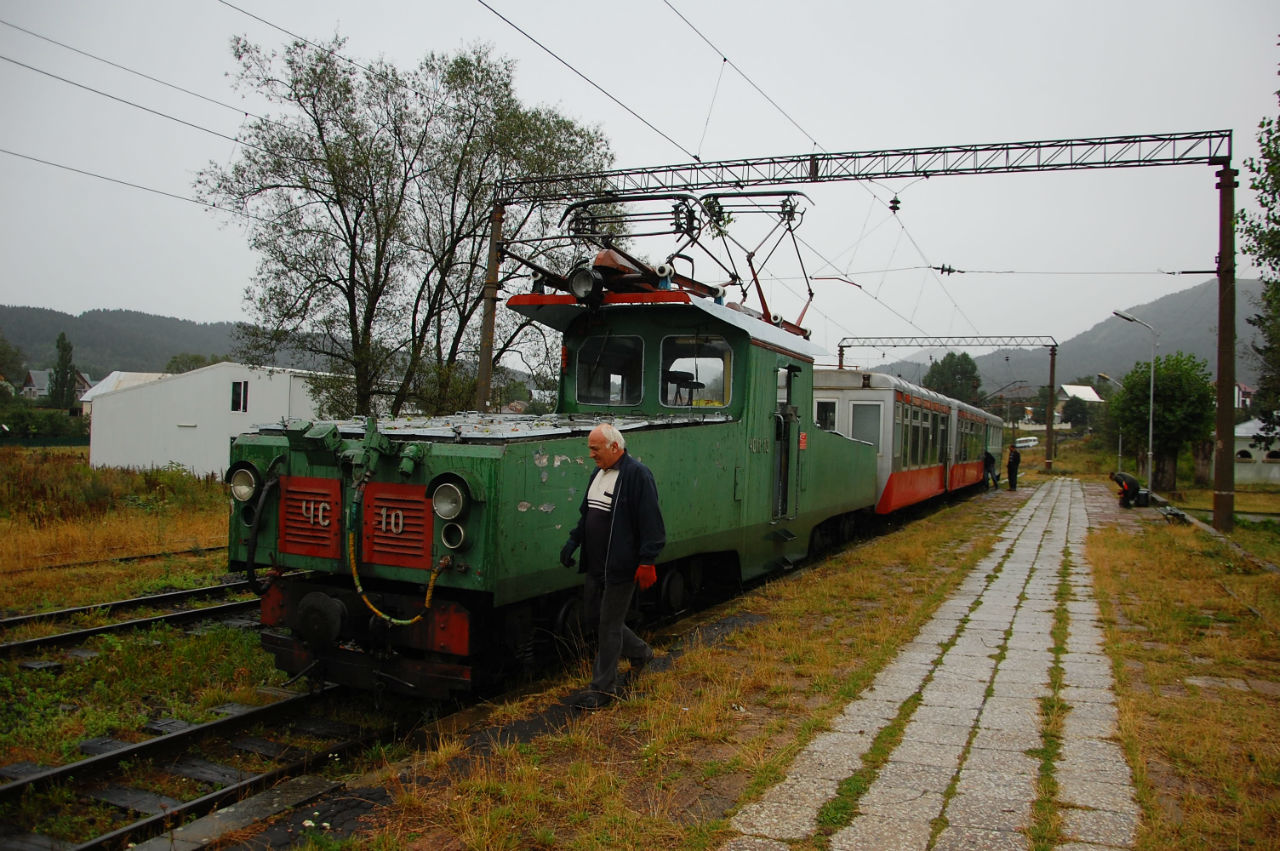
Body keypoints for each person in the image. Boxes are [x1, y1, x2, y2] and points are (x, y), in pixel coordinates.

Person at [560, 423, 665, 709]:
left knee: (608, 626)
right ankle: (642, 653)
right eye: (590, 449)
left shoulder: (637, 476)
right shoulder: (598, 473)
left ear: (614, 447)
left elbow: (651, 523)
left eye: (595, 449)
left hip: (621, 567)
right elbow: (587, 515)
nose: (591, 454)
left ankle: (603, 690)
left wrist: (647, 561)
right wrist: (573, 542)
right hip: (596, 565)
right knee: (596, 618)